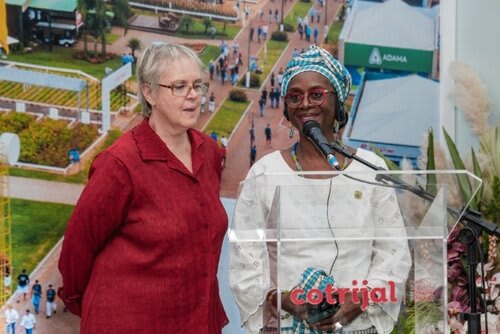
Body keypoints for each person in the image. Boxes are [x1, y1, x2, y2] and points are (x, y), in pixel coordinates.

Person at [229, 45, 411, 334]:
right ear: (287, 108)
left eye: (317, 94)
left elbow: (394, 253)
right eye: (295, 96)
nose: (305, 104)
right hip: (286, 327)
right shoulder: (264, 174)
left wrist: (362, 297)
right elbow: (245, 262)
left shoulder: (371, 169)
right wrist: (285, 299)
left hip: (359, 327)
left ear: (338, 101)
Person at [58, 43, 228, 333]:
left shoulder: (209, 153)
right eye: (179, 86)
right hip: (129, 322)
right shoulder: (120, 165)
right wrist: (87, 305)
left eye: (197, 85)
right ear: (149, 92)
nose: (193, 95)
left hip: (195, 319)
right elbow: (77, 248)